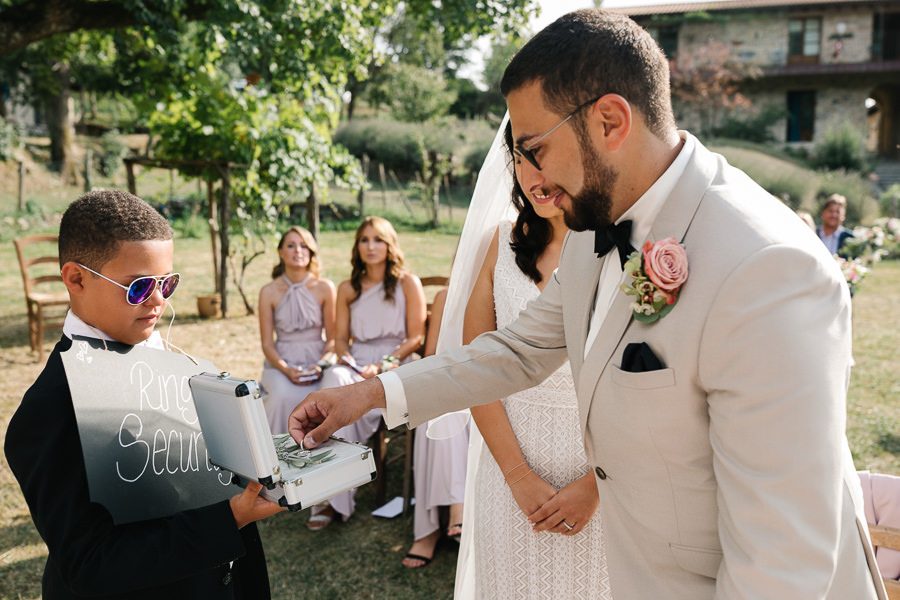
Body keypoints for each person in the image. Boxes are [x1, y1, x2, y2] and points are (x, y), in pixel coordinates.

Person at [289, 10, 884, 599]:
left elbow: (781, 566)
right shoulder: (595, 228)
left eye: (537, 150)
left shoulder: (768, 268)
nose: (533, 181)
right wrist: (370, 395)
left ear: (609, 121)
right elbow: (518, 350)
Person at [5, 190, 283, 599]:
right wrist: (228, 520)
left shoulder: (182, 369)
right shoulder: (49, 411)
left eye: (166, 283)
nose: (158, 302)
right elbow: (90, 565)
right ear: (76, 278)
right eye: (138, 287)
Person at [453, 120, 610, 597]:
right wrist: (518, 477)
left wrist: (597, 486)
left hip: (607, 478)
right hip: (509, 473)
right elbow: (474, 372)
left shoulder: (622, 247)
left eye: (544, 156)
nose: (534, 177)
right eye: (522, 159)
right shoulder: (496, 246)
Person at [306, 216, 426, 531]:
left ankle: (332, 494)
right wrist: (345, 355)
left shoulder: (407, 283)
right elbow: (342, 338)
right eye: (364, 240)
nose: (370, 246)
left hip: (396, 361)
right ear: (357, 246)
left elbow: (416, 337)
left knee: (356, 394)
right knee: (333, 381)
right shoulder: (348, 288)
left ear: (390, 245)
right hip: (357, 360)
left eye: (378, 240)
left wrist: (385, 362)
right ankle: (330, 493)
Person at [402, 286, 469, 568]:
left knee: (452, 409)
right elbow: (431, 354)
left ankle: (451, 513)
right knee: (440, 411)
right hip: (449, 379)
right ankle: (436, 525)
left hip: (494, 383)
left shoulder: (502, 289)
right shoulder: (446, 296)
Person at [258, 226, 336, 434]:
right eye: (291, 246)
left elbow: (333, 339)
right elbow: (266, 343)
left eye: (303, 246)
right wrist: (286, 369)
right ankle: (276, 457)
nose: (298, 251)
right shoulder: (268, 291)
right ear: (281, 253)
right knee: (281, 396)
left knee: (326, 395)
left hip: (316, 359)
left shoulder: (325, 288)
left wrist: (321, 364)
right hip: (281, 362)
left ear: (311, 252)